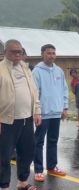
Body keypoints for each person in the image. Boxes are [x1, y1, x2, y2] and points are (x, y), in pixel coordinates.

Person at [0, 39, 41, 190]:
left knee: (27, 151)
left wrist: (37, 111)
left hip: (27, 118)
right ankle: (3, 185)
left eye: (20, 51)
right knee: (3, 155)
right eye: (14, 51)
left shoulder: (26, 68)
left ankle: (22, 181)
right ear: (5, 52)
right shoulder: (1, 69)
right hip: (6, 121)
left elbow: (34, 92)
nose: (18, 54)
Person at [32, 44, 69, 182]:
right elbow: (35, 93)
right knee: (39, 142)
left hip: (56, 113)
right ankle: (38, 170)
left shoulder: (59, 71)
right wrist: (37, 112)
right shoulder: (37, 71)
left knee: (53, 140)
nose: (51, 55)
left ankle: (52, 166)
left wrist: (64, 107)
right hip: (43, 113)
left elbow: (64, 90)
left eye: (53, 53)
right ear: (42, 54)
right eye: (48, 53)